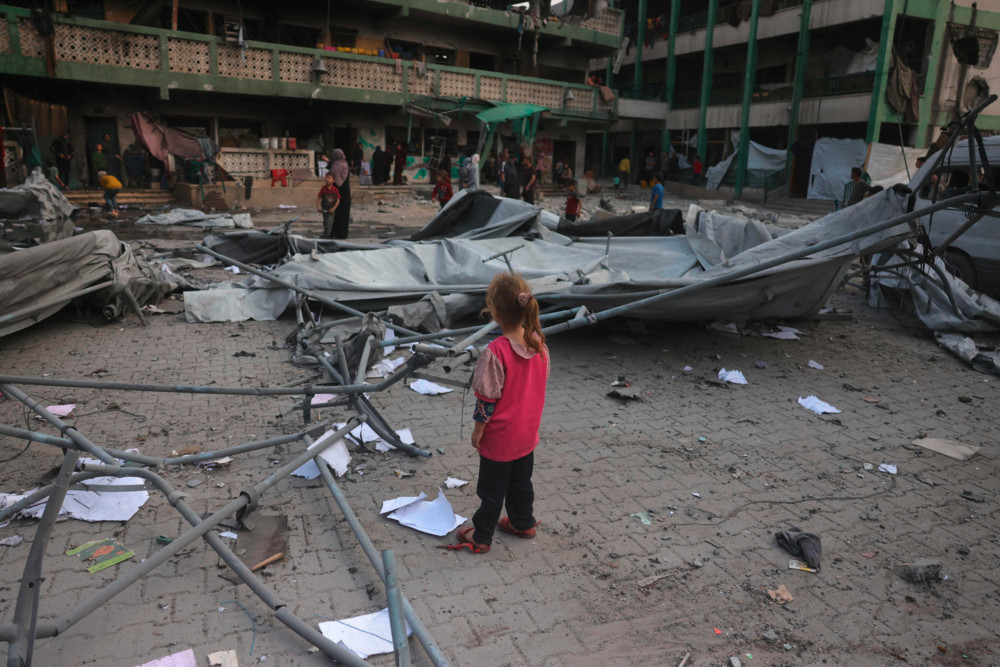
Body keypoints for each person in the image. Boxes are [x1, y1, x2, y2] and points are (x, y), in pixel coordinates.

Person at [443, 273, 550, 554]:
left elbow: (486, 400)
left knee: (491, 492)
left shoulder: (495, 352)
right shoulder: (539, 343)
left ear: (495, 312)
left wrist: (478, 431)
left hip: (500, 439)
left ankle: (481, 536)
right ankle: (522, 523)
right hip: (527, 435)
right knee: (520, 483)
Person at [328, 148, 351, 239]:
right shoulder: (345, 164)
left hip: (336, 194)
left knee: (335, 215)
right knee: (344, 215)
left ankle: (334, 233)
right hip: (346, 194)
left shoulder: (335, 165)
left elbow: (331, 178)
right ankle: (342, 234)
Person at [316, 172, 341, 239]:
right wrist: (318, 207)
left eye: (329, 178)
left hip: (331, 209)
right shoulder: (323, 189)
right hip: (324, 208)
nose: (327, 179)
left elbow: (338, 200)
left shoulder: (335, 190)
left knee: (329, 222)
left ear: (333, 180)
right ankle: (326, 234)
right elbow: (319, 198)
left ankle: (327, 236)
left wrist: (333, 208)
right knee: (326, 222)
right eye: (326, 177)